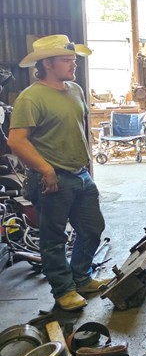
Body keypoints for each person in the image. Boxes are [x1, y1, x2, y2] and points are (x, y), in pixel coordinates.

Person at [7, 35, 111, 312]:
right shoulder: (31, 98)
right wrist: (46, 170)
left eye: (73, 60)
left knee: (92, 228)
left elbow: (77, 128)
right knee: (54, 239)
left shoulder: (74, 90)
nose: (73, 64)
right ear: (47, 63)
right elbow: (16, 140)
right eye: (67, 60)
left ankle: (81, 277)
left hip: (81, 175)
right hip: (52, 180)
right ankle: (64, 291)